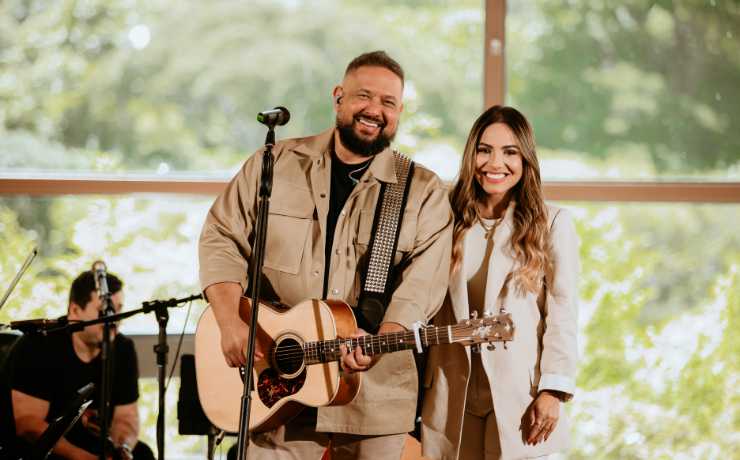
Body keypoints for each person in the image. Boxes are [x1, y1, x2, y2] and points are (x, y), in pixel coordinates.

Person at [199, 50, 452, 459]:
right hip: (275, 386)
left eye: (388, 102)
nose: (374, 110)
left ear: (399, 111)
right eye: (363, 96)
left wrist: (380, 340)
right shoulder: (274, 163)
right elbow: (221, 236)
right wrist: (229, 321)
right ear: (338, 96)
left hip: (375, 401)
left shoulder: (423, 192)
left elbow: (423, 286)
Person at [420, 105, 579, 460]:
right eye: (484, 150)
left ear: (525, 160)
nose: (495, 163)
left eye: (510, 152)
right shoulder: (442, 217)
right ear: (470, 155)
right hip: (450, 396)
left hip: (519, 395)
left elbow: (564, 311)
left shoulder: (553, 223)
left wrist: (553, 390)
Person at [9, 269, 154, 460]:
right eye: (105, 311)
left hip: (93, 442)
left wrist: (122, 449)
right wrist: (84, 458)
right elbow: (29, 426)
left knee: (143, 454)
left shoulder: (122, 348)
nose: (115, 320)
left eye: (118, 310)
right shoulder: (38, 344)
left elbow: (126, 417)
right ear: (75, 310)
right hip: (45, 449)